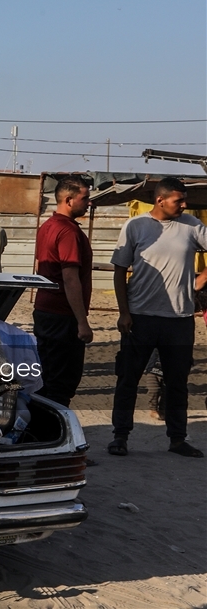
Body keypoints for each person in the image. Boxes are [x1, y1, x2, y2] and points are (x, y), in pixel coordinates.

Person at [108, 178, 207, 458]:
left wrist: (202, 276)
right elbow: (119, 271)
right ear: (160, 200)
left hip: (179, 319)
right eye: (179, 200)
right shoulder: (135, 226)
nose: (184, 204)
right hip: (140, 318)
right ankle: (120, 436)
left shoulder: (190, 224)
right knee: (128, 379)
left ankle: (177, 439)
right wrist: (124, 312)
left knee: (177, 382)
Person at [33, 176, 93, 409]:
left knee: (46, 378)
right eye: (85, 198)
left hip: (45, 312)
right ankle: (53, 435)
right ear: (68, 200)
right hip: (62, 316)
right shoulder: (67, 231)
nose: (88, 203)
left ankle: (42, 432)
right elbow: (70, 278)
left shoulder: (48, 226)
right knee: (61, 384)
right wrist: (82, 322)